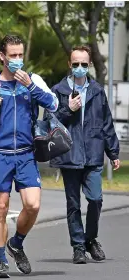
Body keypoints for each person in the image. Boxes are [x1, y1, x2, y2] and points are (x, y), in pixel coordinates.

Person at [0, 35, 58, 278]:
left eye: (20, 55)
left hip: (26, 154)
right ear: (2, 57)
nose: (17, 60)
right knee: (1, 208)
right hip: (0, 154)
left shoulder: (32, 80)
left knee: (33, 204)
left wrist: (31, 86)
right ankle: (1, 262)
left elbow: (54, 104)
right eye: (13, 55)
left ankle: (16, 243)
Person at [49, 45, 120, 264]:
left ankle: (90, 239)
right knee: (73, 205)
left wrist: (114, 152)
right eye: (75, 64)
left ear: (89, 65)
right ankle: (78, 247)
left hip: (93, 154)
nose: (80, 68)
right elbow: (50, 122)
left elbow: (106, 123)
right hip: (70, 154)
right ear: (70, 65)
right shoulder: (58, 90)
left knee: (96, 199)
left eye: (84, 64)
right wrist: (68, 109)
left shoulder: (97, 91)